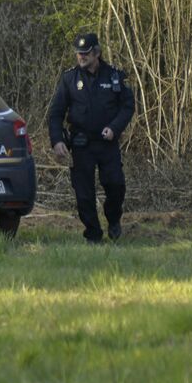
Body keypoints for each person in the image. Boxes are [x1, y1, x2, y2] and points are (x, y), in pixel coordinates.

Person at [48, 32, 134, 243]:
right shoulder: (69, 79)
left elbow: (128, 106)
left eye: (86, 53)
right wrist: (57, 140)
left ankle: (113, 220)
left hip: (107, 143)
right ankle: (93, 234)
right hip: (81, 144)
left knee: (115, 185)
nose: (81, 57)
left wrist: (115, 128)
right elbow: (55, 113)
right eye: (78, 53)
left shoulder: (114, 75)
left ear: (97, 53)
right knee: (84, 194)